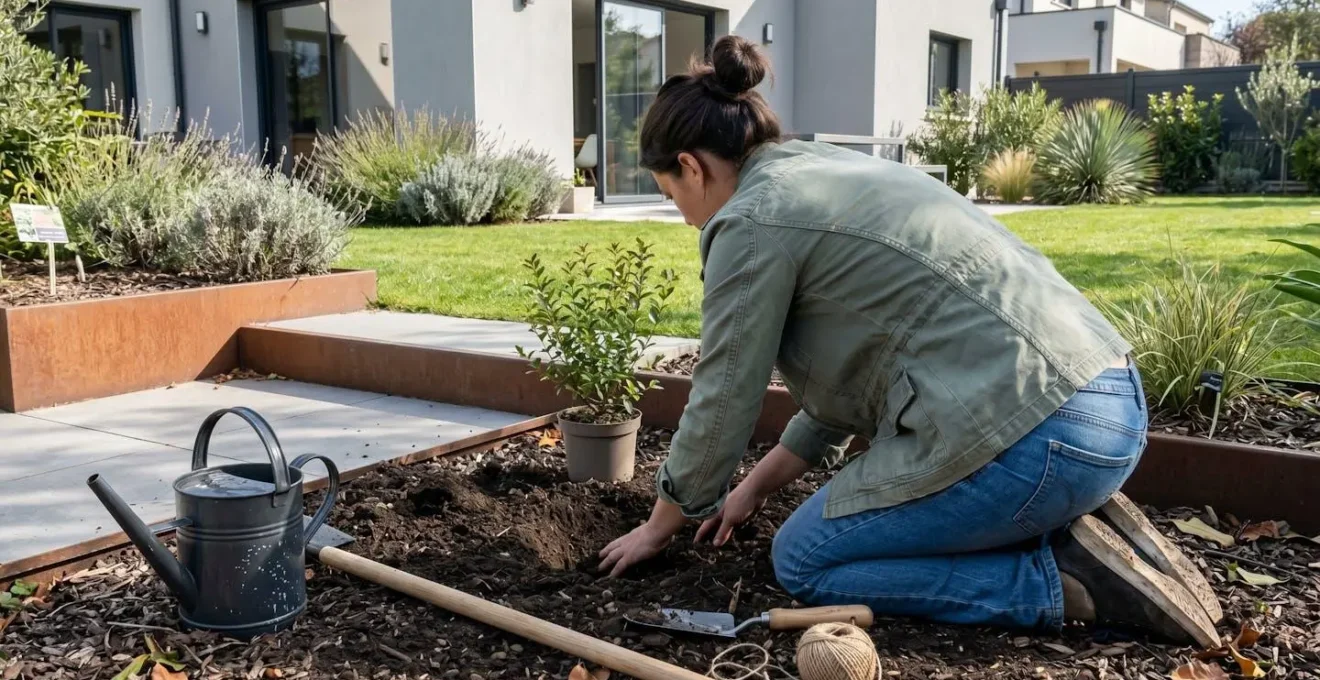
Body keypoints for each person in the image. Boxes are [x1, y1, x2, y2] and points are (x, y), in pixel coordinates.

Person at [597, 35, 1223, 647]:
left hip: (1037, 440)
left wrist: (662, 524)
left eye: (670, 192)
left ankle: (1061, 581)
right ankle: (1066, 518)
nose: (682, 213)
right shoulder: (826, 170)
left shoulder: (751, 222)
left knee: (805, 560)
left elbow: (723, 395)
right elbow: (852, 381)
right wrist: (753, 488)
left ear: (690, 166)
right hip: (1111, 408)